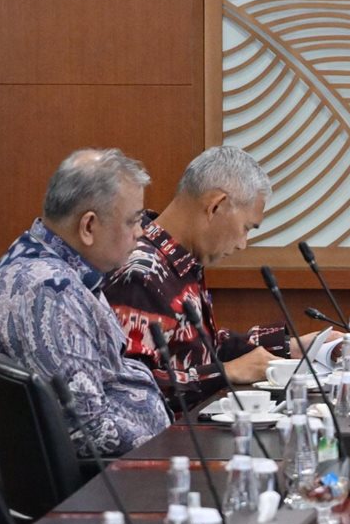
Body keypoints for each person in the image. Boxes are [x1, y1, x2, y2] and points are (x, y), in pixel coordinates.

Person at [0, 148, 169, 458]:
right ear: (88, 226)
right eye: (133, 221)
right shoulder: (50, 293)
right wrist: (173, 450)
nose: (140, 233)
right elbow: (86, 429)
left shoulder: (51, 262)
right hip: (108, 477)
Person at [105, 146, 303, 410]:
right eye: (246, 228)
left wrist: (288, 347)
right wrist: (226, 372)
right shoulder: (142, 273)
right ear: (215, 206)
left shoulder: (179, 261)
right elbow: (131, 390)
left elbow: (200, 350)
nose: (243, 244)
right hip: (169, 435)